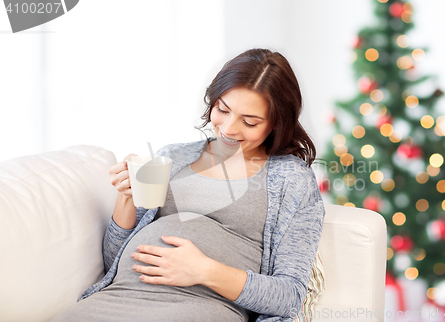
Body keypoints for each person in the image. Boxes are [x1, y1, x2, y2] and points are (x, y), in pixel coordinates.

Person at [50, 48, 325, 322]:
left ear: (276, 123)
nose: (228, 128)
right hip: (116, 297)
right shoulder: (173, 156)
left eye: (249, 122)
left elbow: (289, 297)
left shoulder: (292, 179)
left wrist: (204, 271)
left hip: (200, 306)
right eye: (223, 109)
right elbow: (113, 262)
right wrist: (126, 198)